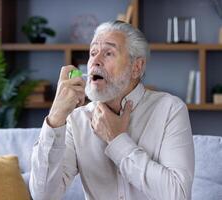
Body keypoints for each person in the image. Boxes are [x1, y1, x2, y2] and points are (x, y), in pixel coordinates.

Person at [30, 20, 195, 200]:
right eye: (93, 53)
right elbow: (43, 195)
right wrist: (55, 117)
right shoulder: (76, 120)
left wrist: (117, 140)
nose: (95, 62)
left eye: (108, 53)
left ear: (136, 67)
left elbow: (178, 195)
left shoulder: (170, 110)